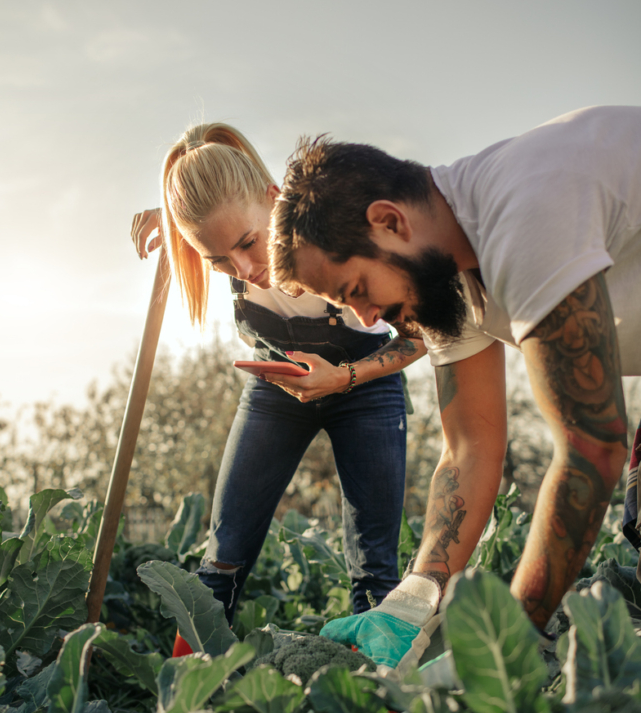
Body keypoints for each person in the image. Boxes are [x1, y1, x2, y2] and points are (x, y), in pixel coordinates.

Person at [268, 105, 641, 666]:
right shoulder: (446, 277)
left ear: (390, 221)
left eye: (357, 289)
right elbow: (470, 446)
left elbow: (592, 445)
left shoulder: (524, 212)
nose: (369, 319)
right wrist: (412, 601)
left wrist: (501, 651)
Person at [131, 122, 427, 633]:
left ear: (275, 200)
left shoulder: (340, 230)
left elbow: (418, 338)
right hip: (276, 390)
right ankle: (187, 687)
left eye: (249, 242)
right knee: (222, 557)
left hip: (366, 387)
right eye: (218, 260)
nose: (242, 268)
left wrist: (343, 377)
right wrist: (178, 223)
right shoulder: (228, 239)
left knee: (375, 566)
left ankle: (381, 691)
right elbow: (219, 227)